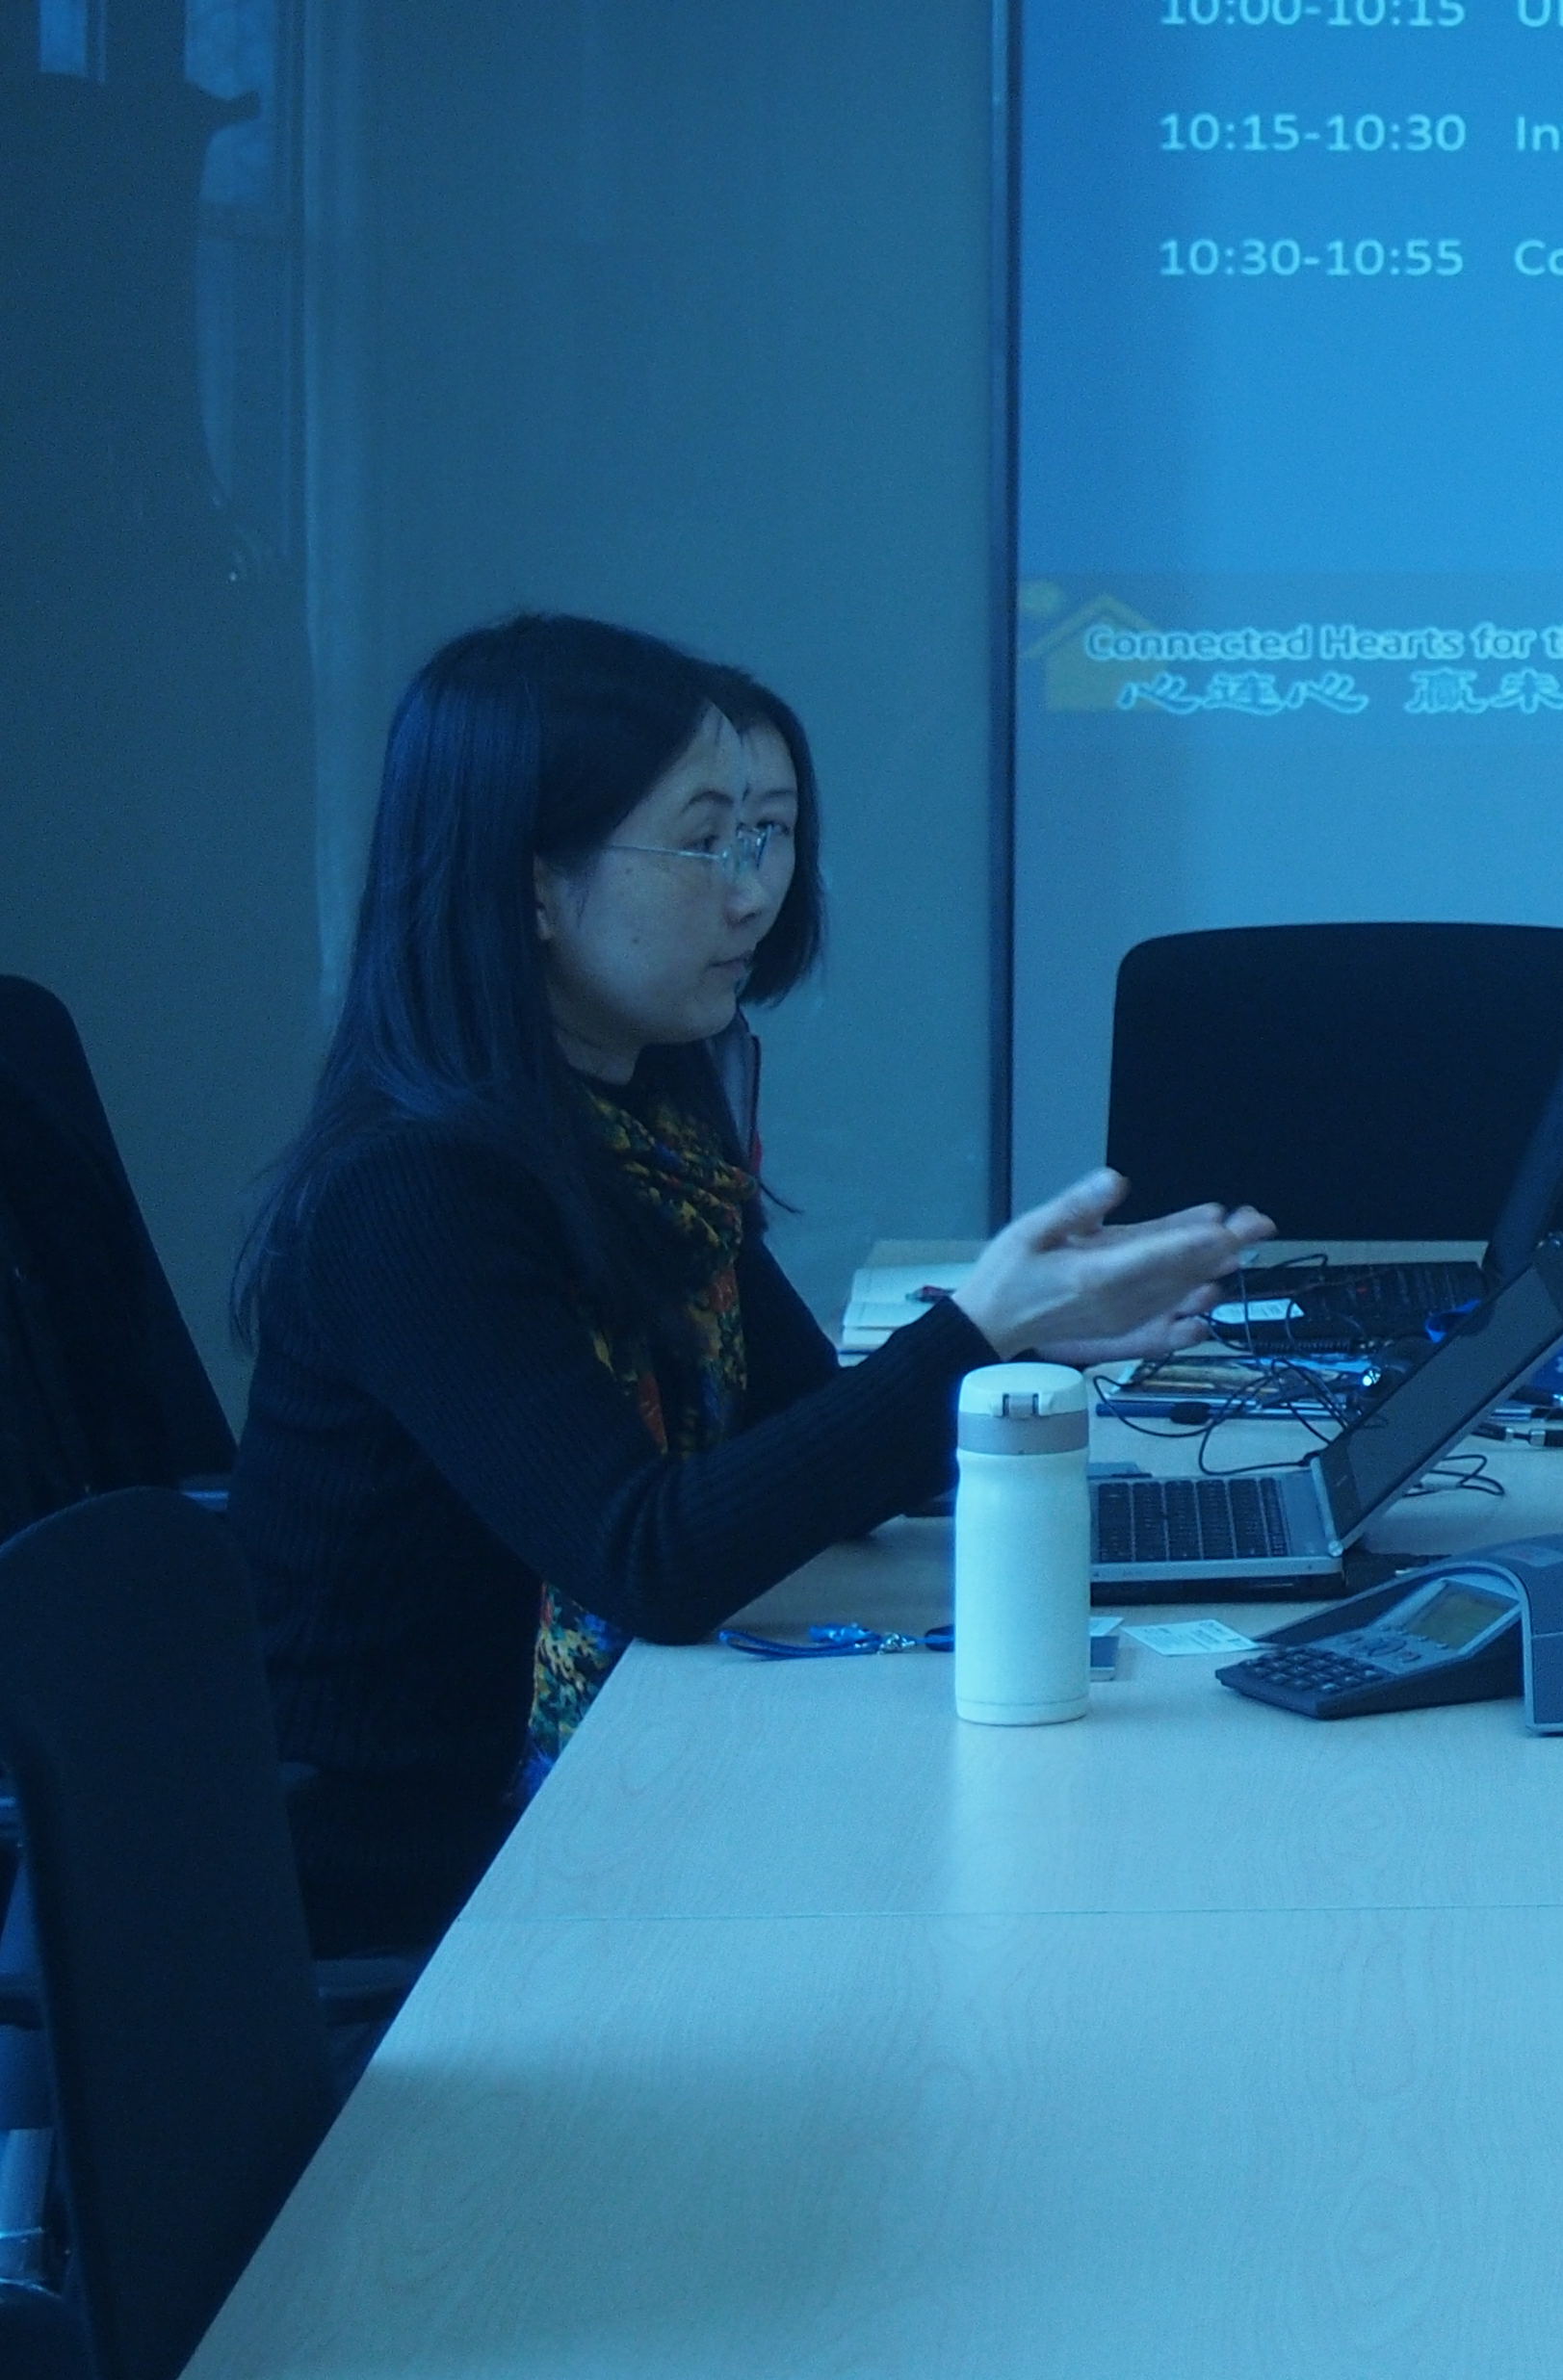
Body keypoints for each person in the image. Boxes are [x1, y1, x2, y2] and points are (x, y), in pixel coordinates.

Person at [227, 616, 1266, 1953]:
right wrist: (978, 1330)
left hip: (610, 1769)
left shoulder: (640, 1119)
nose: (754, 895)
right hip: (410, 1860)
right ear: (533, 887)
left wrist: (1034, 1336)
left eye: (764, 842)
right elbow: (650, 1559)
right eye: (708, 844)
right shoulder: (413, 1191)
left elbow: (802, 1438)